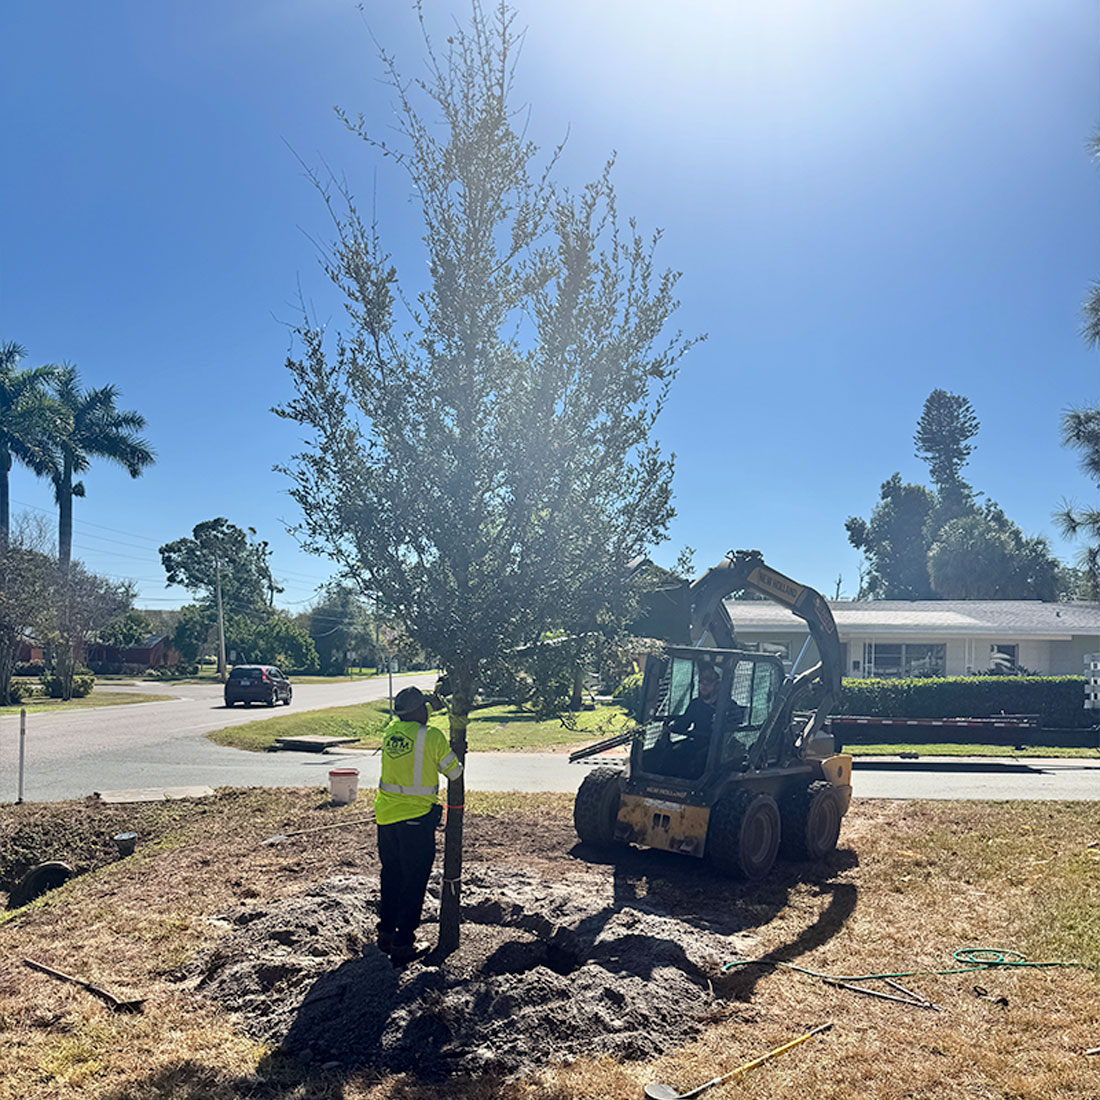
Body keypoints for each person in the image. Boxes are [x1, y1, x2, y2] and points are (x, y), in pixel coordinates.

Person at [375, 684, 463, 964]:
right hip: (416, 822)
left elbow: (412, 728)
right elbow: (455, 772)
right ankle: (404, 942)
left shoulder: (390, 731)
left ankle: (386, 932)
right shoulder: (432, 737)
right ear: (420, 711)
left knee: (392, 875)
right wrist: (456, 748)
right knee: (414, 880)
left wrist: (430, 705)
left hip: (386, 818)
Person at [654, 664, 742, 778]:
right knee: (671, 753)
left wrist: (722, 725)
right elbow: (683, 724)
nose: (704, 685)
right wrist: (669, 728)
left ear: (718, 685)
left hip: (719, 747)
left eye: (709, 681)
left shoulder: (729, 706)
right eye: (701, 681)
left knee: (702, 759)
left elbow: (735, 726)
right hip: (696, 741)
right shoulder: (695, 704)